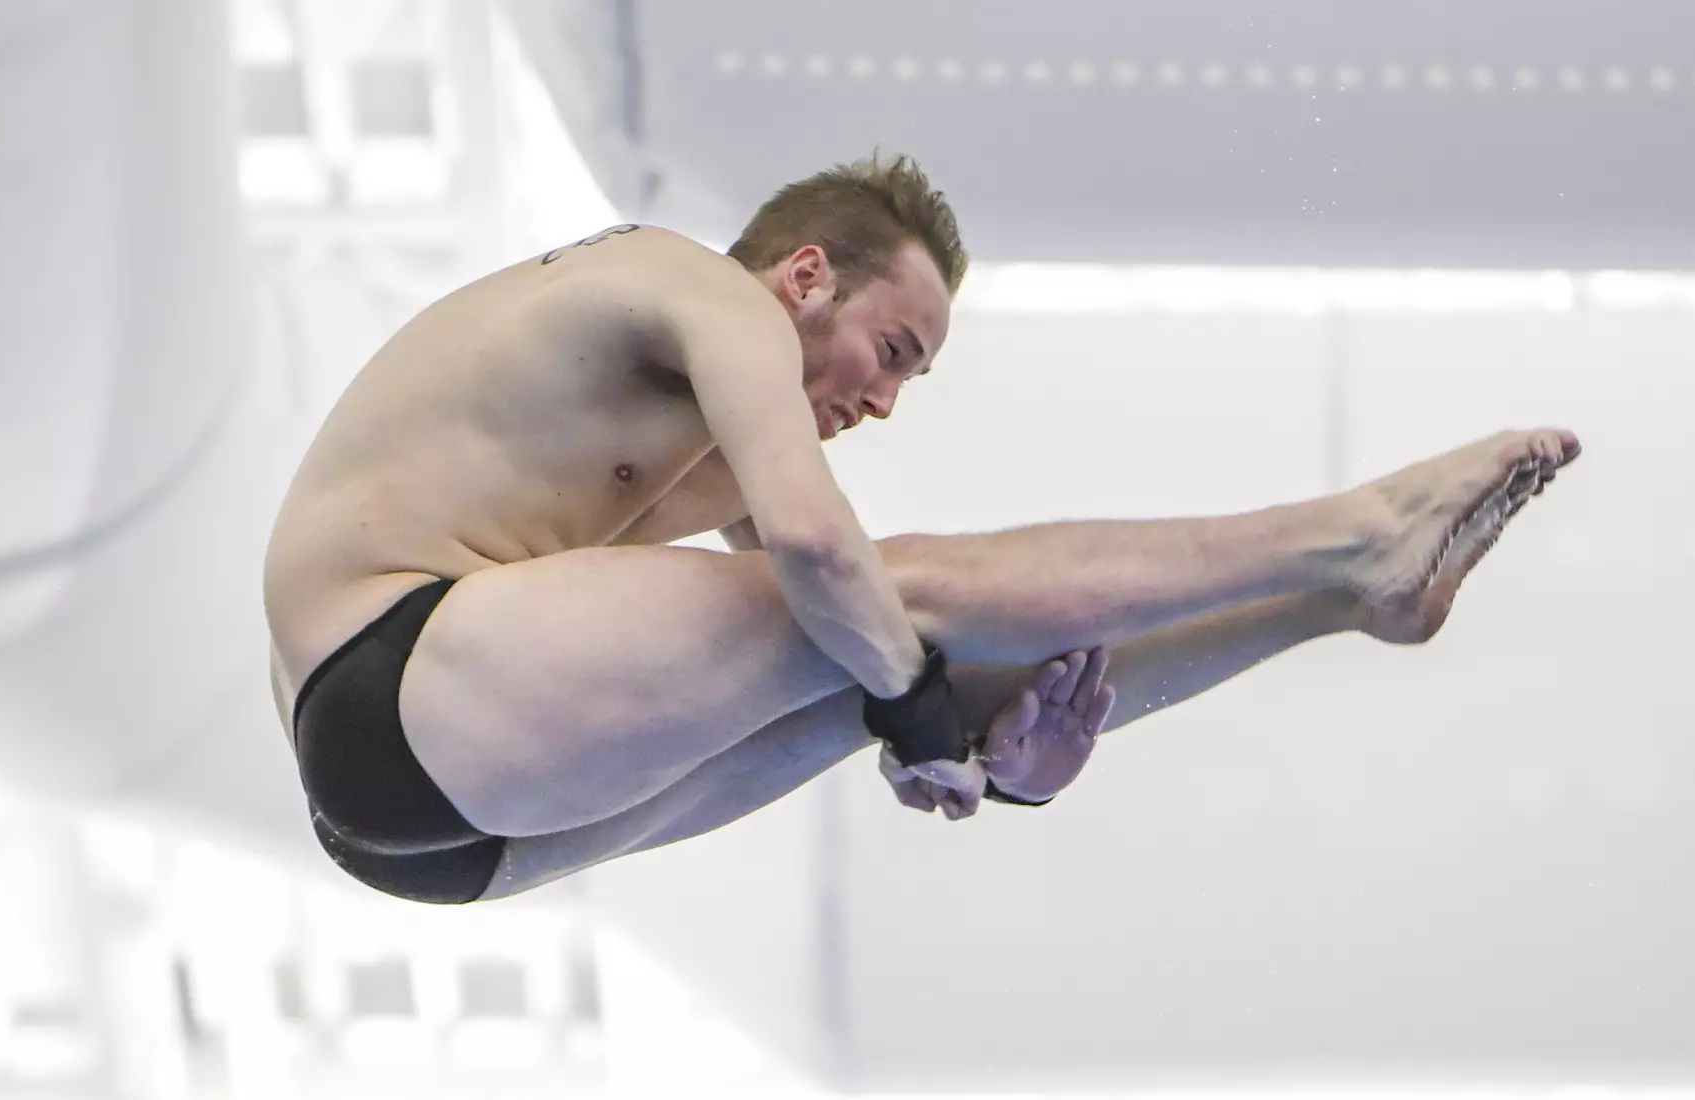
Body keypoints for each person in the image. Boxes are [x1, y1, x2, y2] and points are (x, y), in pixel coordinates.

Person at [262, 154, 1580, 906]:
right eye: (889, 351)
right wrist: (917, 704)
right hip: (389, 671)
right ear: (803, 276)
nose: (882, 401)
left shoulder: (717, 448)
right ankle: (1350, 534)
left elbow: (874, 655)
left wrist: (991, 765)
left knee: (871, 663)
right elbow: (839, 565)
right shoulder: (688, 289)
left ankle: (1341, 603)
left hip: (459, 836)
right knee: (902, 591)